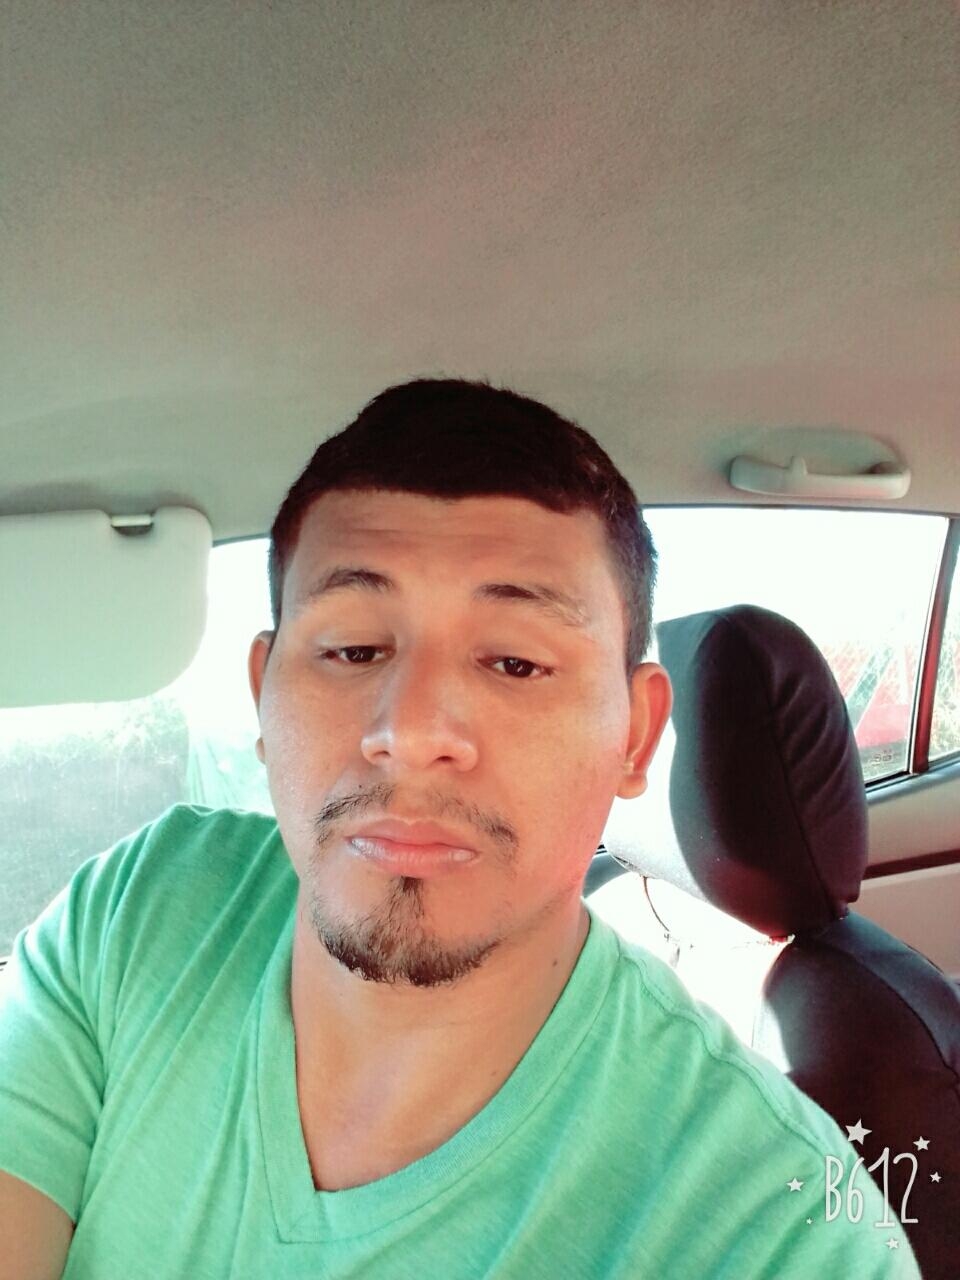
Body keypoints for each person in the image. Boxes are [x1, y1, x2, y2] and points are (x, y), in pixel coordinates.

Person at [0, 378, 919, 1278]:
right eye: (353, 648)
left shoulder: (777, 1228)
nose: (410, 732)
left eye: (515, 663)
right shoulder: (141, 913)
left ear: (636, 737)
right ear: (263, 697)